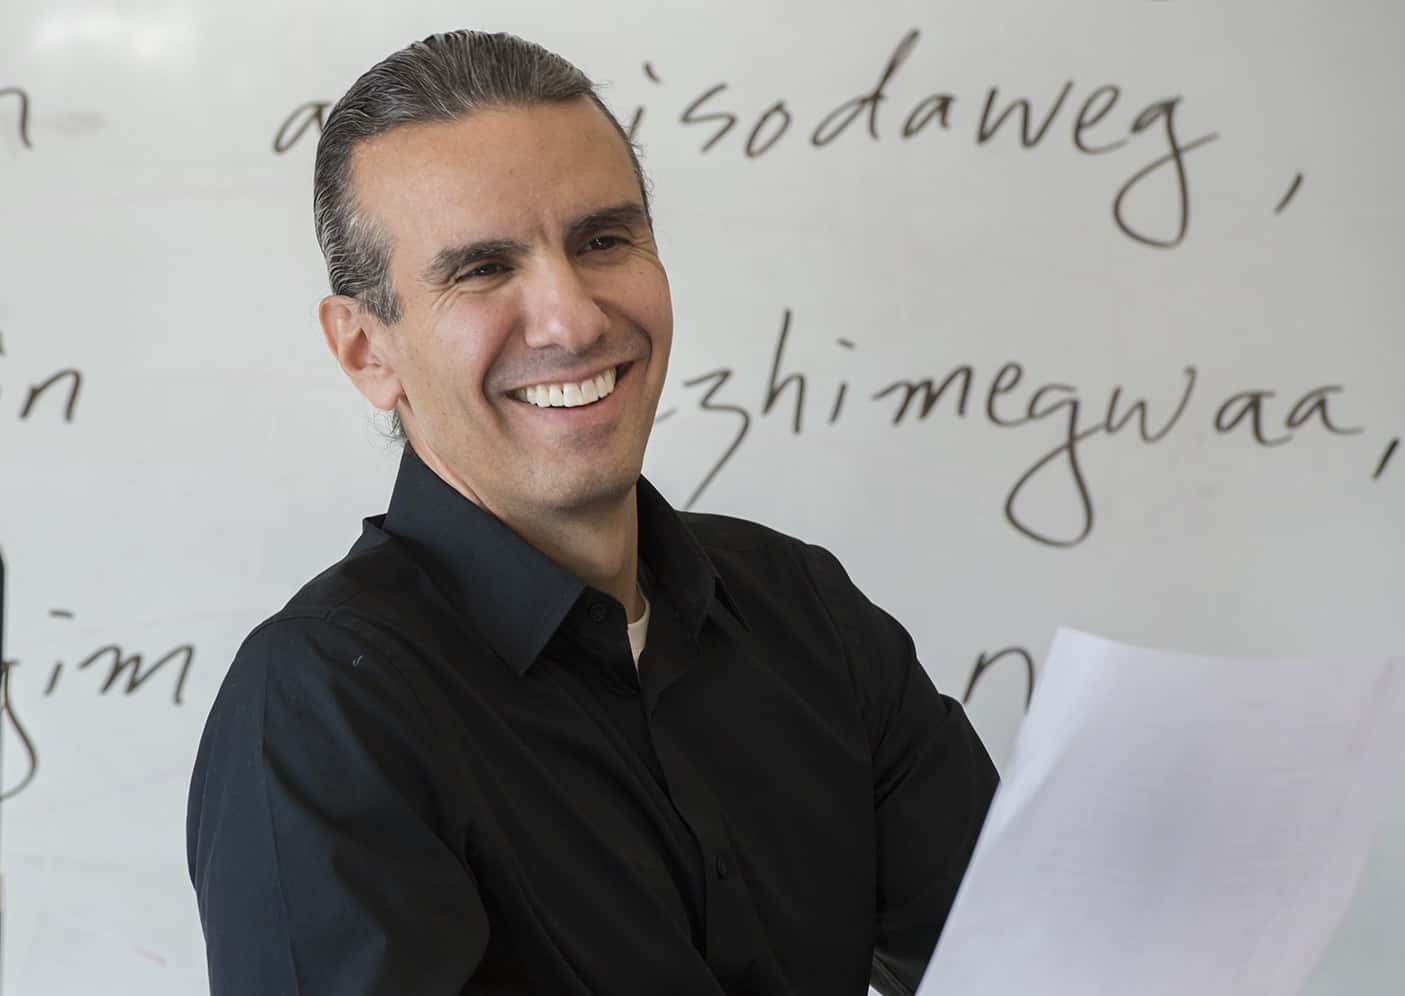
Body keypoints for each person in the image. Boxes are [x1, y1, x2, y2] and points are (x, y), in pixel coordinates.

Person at [186, 29, 998, 996]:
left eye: (603, 240)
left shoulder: (806, 609)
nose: (571, 319)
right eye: (483, 269)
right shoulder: (326, 707)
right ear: (368, 351)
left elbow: (1035, 948)